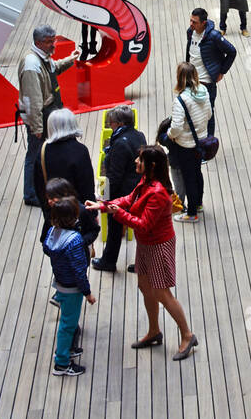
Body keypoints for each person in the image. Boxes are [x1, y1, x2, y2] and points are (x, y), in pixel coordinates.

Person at [92, 146, 198, 360]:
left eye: (139, 160)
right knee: (145, 286)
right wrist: (103, 206)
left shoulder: (157, 193)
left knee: (162, 293)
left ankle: (187, 335)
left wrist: (117, 213)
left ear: (150, 166)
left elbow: (143, 225)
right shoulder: (145, 183)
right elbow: (129, 199)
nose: (135, 162)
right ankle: (154, 331)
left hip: (158, 245)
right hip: (147, 245)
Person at [18, 25, 78, 207]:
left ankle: (43, 187)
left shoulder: (43, 58)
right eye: (49, 42)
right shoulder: (31, 65)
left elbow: (54, 69)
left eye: (54, 40)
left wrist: (70, 59)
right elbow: (33, 101)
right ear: (38, 42)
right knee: (34, 155)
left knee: (43, 154)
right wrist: (37, 128)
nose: (54, 44)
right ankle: (30, 194)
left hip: (48, 113)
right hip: (40, 117)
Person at [42, 198, 95, 377]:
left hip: (61, 283)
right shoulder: (75, 241)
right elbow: (79, 271)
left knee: (67, 320)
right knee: (68, 324)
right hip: (73, 290)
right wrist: (87, 293)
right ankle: (62, 362)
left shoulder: (51, 233)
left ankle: (68, 351)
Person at [92, 106, 146, 272]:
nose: (110, 125)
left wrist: (106, 197)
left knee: (114, 227)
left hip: (123, 192)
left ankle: (108, 261)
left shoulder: (120, 144)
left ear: (120, 123)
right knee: (140, 230)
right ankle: (142, 263)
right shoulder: (139, 135)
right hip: (138, 188)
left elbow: (114, 176)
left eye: (112, 123)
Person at [33, 108, 96, 224]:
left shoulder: (42, 151)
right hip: (77, 214)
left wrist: (47, 213)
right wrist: (92, 214)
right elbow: (87, 186)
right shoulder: (80, 151)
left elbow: (39, 187)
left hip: (54, 214)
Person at [168, 62, 212, 222]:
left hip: (186, 144)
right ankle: (199, 204)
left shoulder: (181, 100)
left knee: (189, 178)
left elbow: (177, 127)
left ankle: (191, 213)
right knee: (197, 173)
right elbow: (208, 114)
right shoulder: (204, 92)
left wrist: (169, 134)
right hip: (201, 141)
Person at [185, 7, 236, 136]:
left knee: (208, 113)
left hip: (206, 82)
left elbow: (232, 52)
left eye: (194, 22)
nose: (191, 24)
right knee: (190, 111)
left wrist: (222, 71)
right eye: (190, 21)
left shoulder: (214, 36)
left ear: (204, 23)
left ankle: (210, 141)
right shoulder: (190, 32)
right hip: (191, 80)